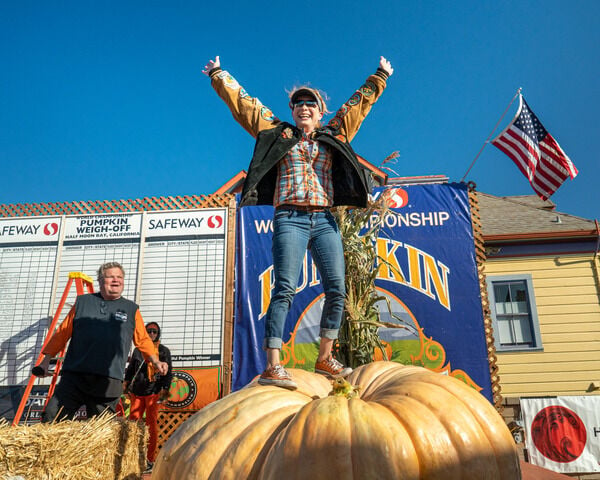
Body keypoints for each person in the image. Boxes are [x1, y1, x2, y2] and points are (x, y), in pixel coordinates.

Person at [202, 55, 393, 390]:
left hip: (324, 219)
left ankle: (325, 357)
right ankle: (273, 365)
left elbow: (357, 106)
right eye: (298, 103)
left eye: (310, 103)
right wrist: (219, 75)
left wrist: (379, 76)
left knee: (337, 288)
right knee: (285, 288)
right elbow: (245, 105)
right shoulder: (276, 133)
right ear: (292, 111)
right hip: (289, 218)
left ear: (320, 112)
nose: (303, 107)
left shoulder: (334, 134)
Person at [36, 262, 169, 422]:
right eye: (111, 276)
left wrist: (155, 361)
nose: (116, 280)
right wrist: (45, 361)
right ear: (100, 280)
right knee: (52, 417)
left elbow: (143, 340)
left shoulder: (131, 309)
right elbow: (62, 334)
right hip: (75, 376)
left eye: (119, 277)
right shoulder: (82, 303)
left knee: (102, 429)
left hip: (109, 380)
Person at [123, 322, 172, 474]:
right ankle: (132, 457)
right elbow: (131, 370)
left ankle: (149, 459)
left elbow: (168, 373)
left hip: (153, 392)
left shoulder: (163, 351)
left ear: (158, 334)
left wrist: (165, 391)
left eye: (154, 332)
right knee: (133, 425)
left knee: (151, 426)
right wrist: (125, 386)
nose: (151, 334)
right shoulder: (139, 350)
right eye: (149, 331)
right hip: (137, 392)